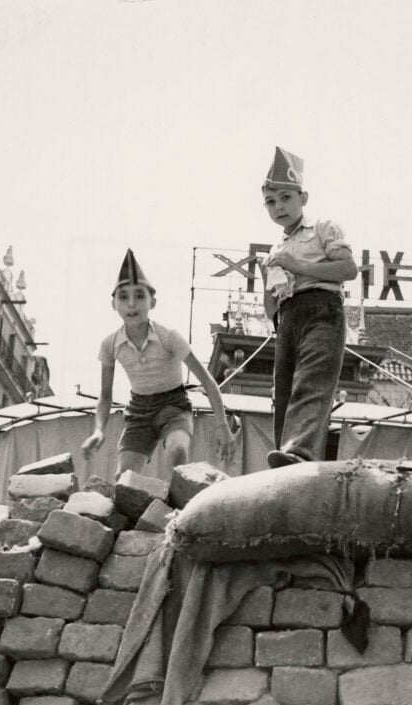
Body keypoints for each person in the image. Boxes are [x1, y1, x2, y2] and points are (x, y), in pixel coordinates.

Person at [82, 249, 236, 478]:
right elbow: (105, 396)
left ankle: (177, 507)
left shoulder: (168, 337)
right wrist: (98, 431)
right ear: (113, 304)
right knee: (123, 476)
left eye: (140, 296)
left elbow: (207, 380)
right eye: (123, 297)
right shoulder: (110, 344)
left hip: (173, 406)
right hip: (138, 412)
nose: (131, 304)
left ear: (152, 301)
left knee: (177, 450)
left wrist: (222, 426)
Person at [259, 146, 357, 467]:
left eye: (286, 198)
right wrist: (268, 281)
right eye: (271, 202)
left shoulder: (324, 228)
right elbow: (271, 311)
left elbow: (348, 270)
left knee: (311, 384)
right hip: (287, 318)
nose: (279, 207)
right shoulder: (277, 247)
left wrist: (297, 265)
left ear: (303, 198)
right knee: (283, 394)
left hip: (322, 310)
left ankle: (298, 454)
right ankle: (284, 462)